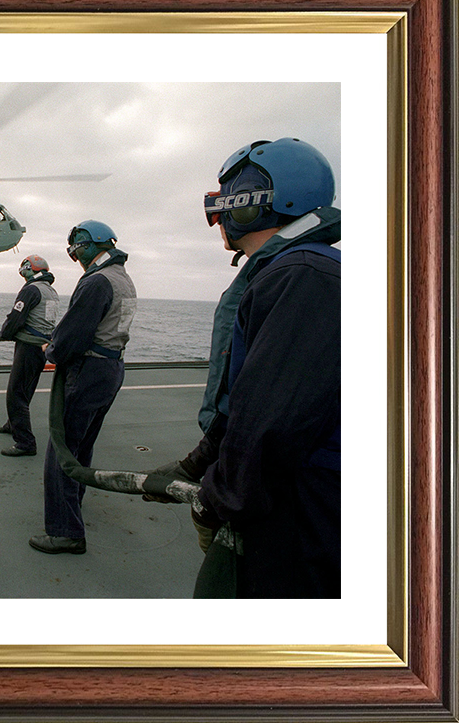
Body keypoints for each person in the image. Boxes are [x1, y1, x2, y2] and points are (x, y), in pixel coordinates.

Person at [145, 137, 341, 598]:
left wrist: (216, 502)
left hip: (300, 507)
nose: (218, 216)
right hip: (287, 492)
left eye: (223, 200)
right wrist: (199, 463)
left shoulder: (303, 277)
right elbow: (250, 396)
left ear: (253, 200)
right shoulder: (295, 270)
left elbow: (271, 423)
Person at [28, 221, 136, 554]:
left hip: (87, 371)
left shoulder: (96, 282)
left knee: (61, 448)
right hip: (111, 368)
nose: (74, 255)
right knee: (84, 443)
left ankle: (65, 530)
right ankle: (73, 500)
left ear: (88, 246)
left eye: (75, 248)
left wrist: (52, 350)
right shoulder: (122, 278)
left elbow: (74, 334)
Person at [0, 255, 60, 457]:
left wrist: (5, 333)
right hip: (41, 348)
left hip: (29, 347)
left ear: (29, 269)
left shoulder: (31, 290)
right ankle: (13, 424)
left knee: (16, 394)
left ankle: (25, 442)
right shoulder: (51, 291)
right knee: (26, 389)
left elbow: (16, 317)